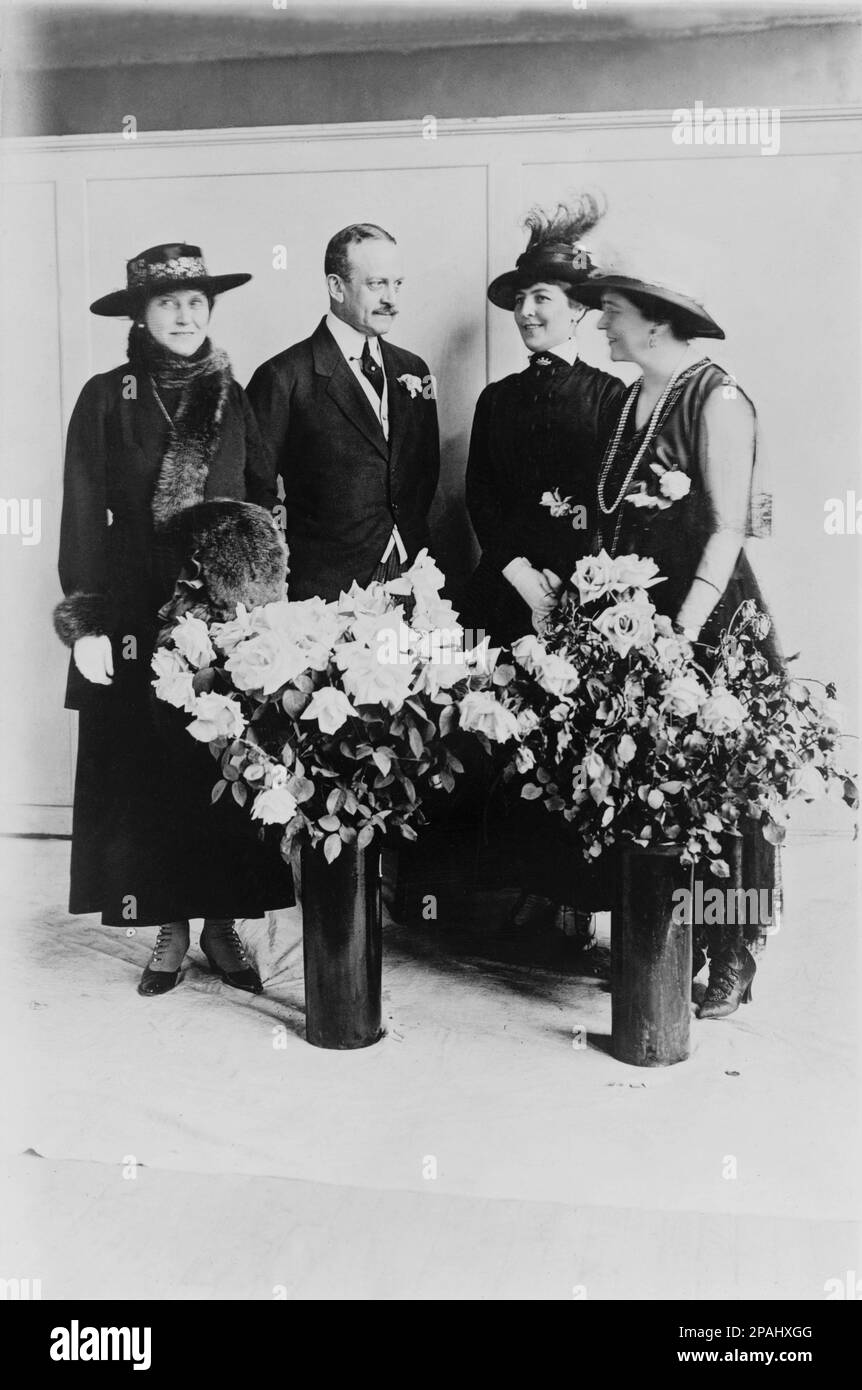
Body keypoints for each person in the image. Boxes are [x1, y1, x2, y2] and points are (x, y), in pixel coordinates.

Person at [53, 242, 295, 998]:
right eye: (169, 303)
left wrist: (261, 604)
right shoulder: (105, 396)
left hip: (221, 616)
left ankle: (224, 924)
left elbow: (265, 501)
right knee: (146, 778)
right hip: (132, 609)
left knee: (219, 770)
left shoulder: (235, 396)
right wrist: (87, 619)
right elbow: (82, 511)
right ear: (140, 316)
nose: (186, 314)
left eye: (197, 302)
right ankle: (166, 926)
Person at [575, 265, 781, 1018]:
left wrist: (683, 631)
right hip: (645, 617)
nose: (601, 325)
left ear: (654, 323)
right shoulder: (633, 395)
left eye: (613, 314)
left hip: (709, 620)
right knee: (661, 788)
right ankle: (679, 939)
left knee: (728, 793)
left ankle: (736, 951)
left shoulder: (716, 395)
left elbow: (730, 527)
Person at [459, 197, 626, 942]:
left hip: (588, 606)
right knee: (510, 736)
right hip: (507, 592)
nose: (528, 312)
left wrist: (578, 587)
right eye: (521, 300)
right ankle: (522, 888)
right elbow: (482, 499)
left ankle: (579, 899)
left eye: (542, 299)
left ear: (579, 312)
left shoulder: (612, 398)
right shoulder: (495, 401)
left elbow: (621, 507)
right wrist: (520, 575)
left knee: (579, 740)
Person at [246, 222, 440, 597]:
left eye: (397, 284)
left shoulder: (414, 371)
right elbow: (256, 491)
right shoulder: (283, 376)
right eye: (376, 284)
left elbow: (424, 472)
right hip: (322, 591)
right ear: (336, 286)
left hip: (415, 579)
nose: (392, 300)